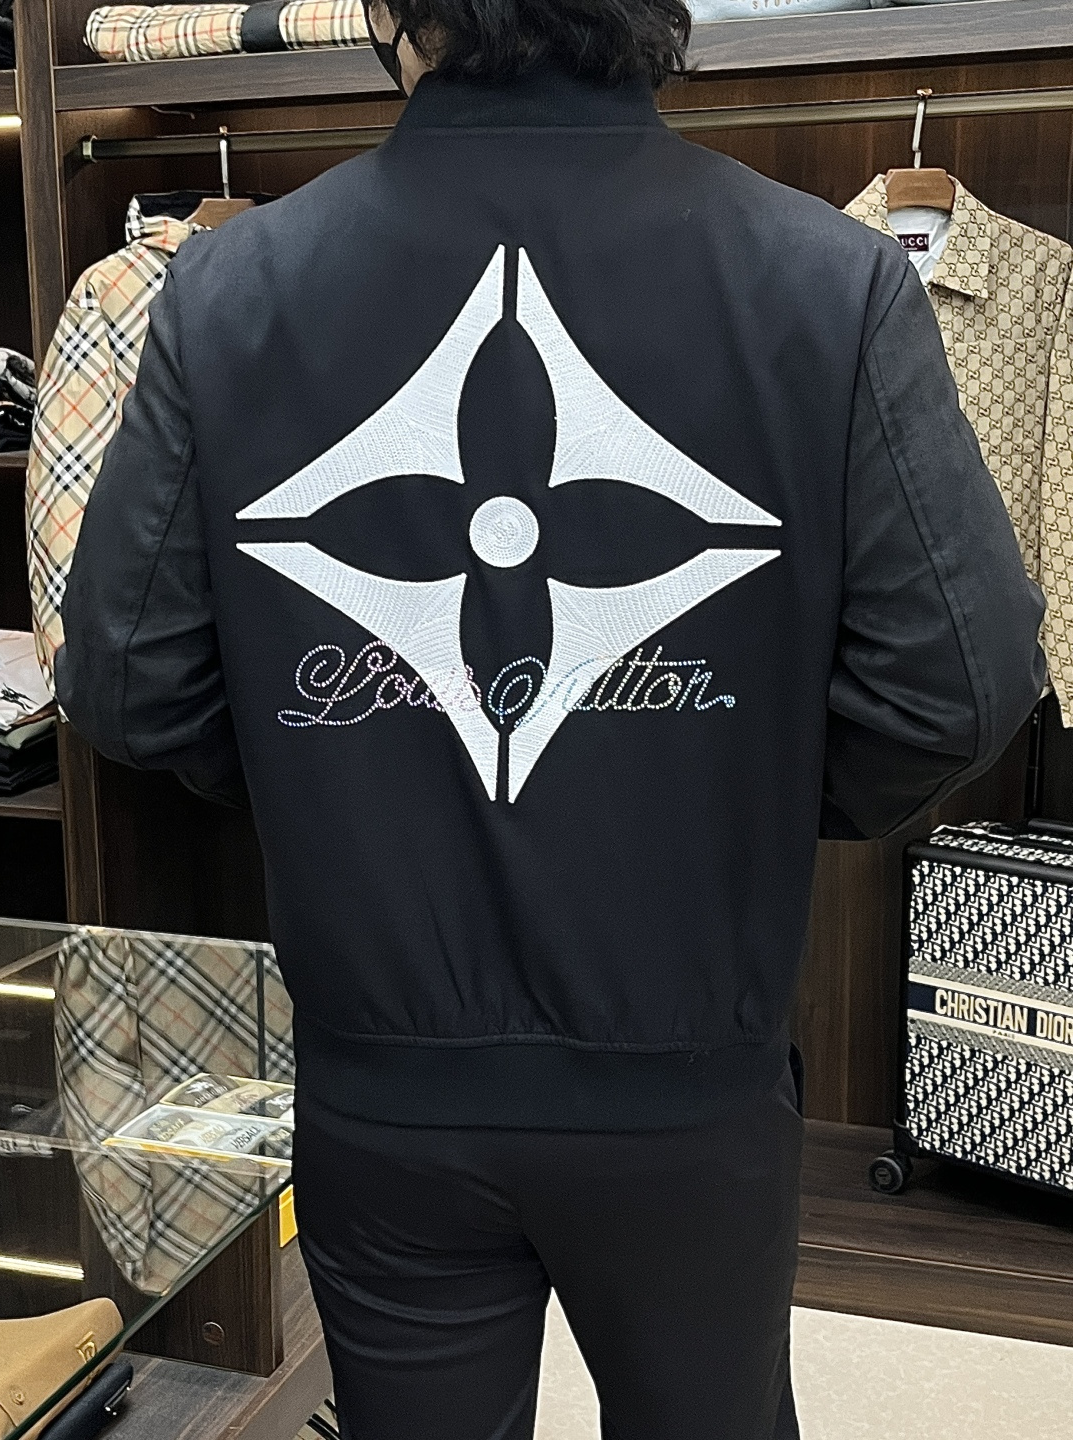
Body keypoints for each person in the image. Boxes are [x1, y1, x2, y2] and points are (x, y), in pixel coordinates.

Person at [55, 0, 1045, 1433]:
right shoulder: (827, 278)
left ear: (391, 12)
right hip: (691, 1083)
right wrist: (745, 778)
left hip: (380, 1086)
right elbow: (959, 684)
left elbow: (125, 677)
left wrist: (319, 769)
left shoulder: (225, 289)